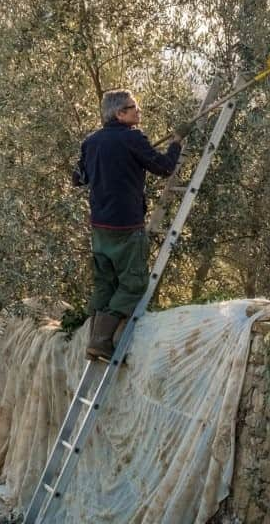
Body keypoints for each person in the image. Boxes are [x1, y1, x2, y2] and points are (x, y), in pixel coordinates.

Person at [73, 89, 190, 361]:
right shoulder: (132, 138)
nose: (138, 111)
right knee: (134, 284)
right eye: (132, 107)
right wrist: (176, 142)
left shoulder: (91, 142)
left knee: (105, 283)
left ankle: (94, 341)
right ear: (119, 113)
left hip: (100, 227)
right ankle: (102, 340)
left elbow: (78, 178)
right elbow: (164, 167)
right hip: (126, 227)